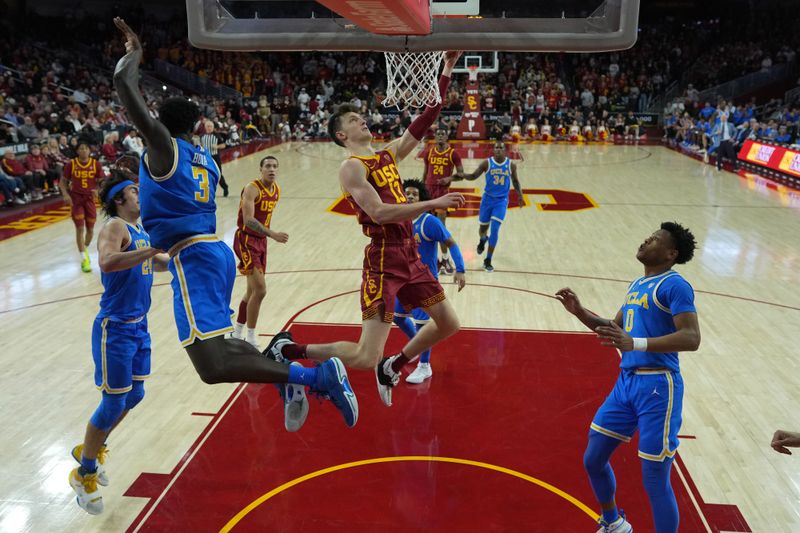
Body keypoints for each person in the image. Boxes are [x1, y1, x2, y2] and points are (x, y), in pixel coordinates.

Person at [111, 17, 357, 431]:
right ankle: (286, 367)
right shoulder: (203, 156)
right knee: (224, 346)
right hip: (214, 253)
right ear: (193, 128)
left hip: (192, 255)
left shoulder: (163, 147)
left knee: (212, 365)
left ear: (163, 128)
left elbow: (124, 85)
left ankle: (315, 376)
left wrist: (132, 56)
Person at [265, 51, 465, 407]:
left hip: (410, 254)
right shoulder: (351, 168)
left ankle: (395, 364)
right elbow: (379, 212)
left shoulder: (387, 154)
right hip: (384, 259)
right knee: (363, 355)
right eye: (356, 120)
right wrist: (432, 204)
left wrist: (446, 68)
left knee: (448, 323)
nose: (364, 121)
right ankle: (289, 348)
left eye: (362, 117)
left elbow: (427, 117)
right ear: (342, 134)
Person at [555, 222, 701, 533]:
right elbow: (613, 327)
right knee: (593, 458)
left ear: (671, 253)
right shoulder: (637, 284)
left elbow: (691, 338)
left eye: (655, 239)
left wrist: (635, 344)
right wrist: (579, 312)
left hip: (659, 387)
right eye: (648, 236)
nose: (646, 240)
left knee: (654, 477)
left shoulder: (675, 285)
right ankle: (614, 523)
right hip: (627, 384)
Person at [69, 172, 170, 515]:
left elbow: (159, 263)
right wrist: (150, 250)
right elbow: (108, 261)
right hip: (115, 329)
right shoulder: (114, 226)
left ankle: (91, 448)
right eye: (133, 191)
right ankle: (84, 473)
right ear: (118, 200)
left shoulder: (140, 231)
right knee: (112, 404)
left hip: (140, 328)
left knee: (136, 395)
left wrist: (185, 256)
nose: (140, 196)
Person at [392, 179, 466, 384]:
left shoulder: (429, 222)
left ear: (421, 198)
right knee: (397, 317)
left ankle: (425, 366)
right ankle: (415, 346)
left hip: (425, 283)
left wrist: (460, 269)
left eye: (415, 194)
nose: (410, 196)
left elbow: (450, 243)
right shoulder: (399, 220)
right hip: (404, 281)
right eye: (407, 193)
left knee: (423, 325)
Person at [232, 155, 289, 348]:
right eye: (268, 166)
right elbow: (248, 220)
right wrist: (273, 234)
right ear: (261, 169)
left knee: (251, 291)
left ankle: (237, 331)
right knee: (261, 290)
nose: (272, 169)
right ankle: (251, 337)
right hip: (246, 240)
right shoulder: (252, 188)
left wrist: (267, 236)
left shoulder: (277, 190)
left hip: (260, 242)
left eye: (275, 166)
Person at [455, 141, 523, 272]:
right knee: (482, 229)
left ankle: (488, 260)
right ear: (493, 150)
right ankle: (482, 239)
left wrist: (520, 195)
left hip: (501, 201)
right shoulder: (487, 163)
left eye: (500, 148)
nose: (498, 150)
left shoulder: (511, 165)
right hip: (487, 200)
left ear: (505, 151)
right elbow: (474, 176)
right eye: (496, 147)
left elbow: (515, 181)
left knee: (495, 229)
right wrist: (463, 175)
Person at [421, 127, 464, 275]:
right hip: (428, 192)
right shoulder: (429, 152)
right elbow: (425, 173)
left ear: (447, 137)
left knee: (440, 227)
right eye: (437, 134)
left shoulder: (453, 153)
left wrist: (449, 178)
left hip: (442, 193)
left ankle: (445, 259)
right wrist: (421, 190)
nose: (439, 136)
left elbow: (461, 174)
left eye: (442, 134)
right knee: (426, 227)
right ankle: (432, 259)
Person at [60, 138, 106, 273]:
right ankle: (84, 258)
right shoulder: (71, 164)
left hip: (90, 200)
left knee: (90, 231)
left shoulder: (96, 164)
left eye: (86, 148)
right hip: (76, 199)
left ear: (89, 150)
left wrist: (98, 189)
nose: (83, 150)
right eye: (81, 148)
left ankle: (84, 249)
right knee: (80, 229)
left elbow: (102, 181)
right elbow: (63, 182)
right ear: (77, 151)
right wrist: (65, 194)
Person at [199, 120, 230, 197]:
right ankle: (209, 191)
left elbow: (224, 145)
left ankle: (225, 187)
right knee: (206, 174)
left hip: (215, 157)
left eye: (210, 126)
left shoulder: (217, 136)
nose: (209, 128)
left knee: (218, 174)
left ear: (213, 127)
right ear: (205, 127)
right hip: (205, 157)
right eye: (207, 126)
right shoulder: (201, 136)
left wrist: (217, 146)